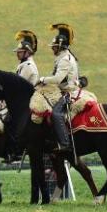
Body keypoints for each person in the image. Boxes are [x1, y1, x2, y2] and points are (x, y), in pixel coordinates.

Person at [36, 23, 79, 154]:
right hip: (62, 90)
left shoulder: (65, 59)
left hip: (68, 92)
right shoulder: (63, 57)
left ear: (60, 46)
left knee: (55, 114)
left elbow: (58, 79)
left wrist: (42, 79)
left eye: (54, 46)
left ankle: (65, 144)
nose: (52, 49)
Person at [5, 30, 40, 162]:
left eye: (19, 52)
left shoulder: (28, 67)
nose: (17, 54)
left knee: (8, 119)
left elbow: (17, 86)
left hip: (26, 101)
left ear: (27, 52)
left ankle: (16, 150)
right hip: (22, 98)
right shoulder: (23, 65)